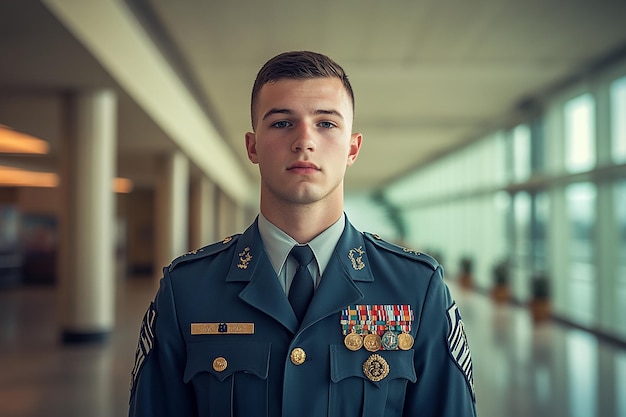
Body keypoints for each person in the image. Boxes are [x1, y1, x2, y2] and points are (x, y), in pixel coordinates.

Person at [128, 50, 477, 417]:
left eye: (326, 123)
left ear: (352, 149)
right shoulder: (187, 289)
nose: (304, 141)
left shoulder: (416, 288)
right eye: (281, 123)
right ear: (252, 146)